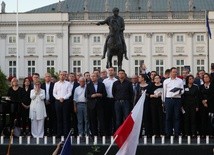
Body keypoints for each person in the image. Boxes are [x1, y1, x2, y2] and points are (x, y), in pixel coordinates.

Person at [163, 67, 184, 137]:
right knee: (168, 117)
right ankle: (168, 133)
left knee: (177, 116)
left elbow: (183, 90)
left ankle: (177, 133)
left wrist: (178, 92)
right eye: (173, 72)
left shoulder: (180, 81)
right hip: (168, 99)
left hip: (177, 99)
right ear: (170, 73)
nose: (175, 73)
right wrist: (163, 101)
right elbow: (164, 91)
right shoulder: (166, 81)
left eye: (176, 72)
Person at [53, 71, 72, 137]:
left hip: (65, 102)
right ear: (59, 76)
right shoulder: (56, 84)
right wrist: (59, 98)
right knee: (59, 118)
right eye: (61, 75)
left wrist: (63, 98)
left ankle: (66, 133)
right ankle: (59, 133)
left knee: (66, 118)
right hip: (58, 102)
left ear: (65, 76)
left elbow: (69, 93)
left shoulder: (68, 83)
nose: (62, 76)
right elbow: (54, 93)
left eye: (64, 75)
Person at [102, 67, 117, 135]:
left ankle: (115, 132)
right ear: (108, 72)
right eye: (109, 70)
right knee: (107, 117)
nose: (110, 72)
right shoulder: (105, 81)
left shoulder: (116, 80)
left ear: (114, 72)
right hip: (107, 100)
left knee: (115, 116)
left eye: (112, 70)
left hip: (114, 100)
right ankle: (107, 133)